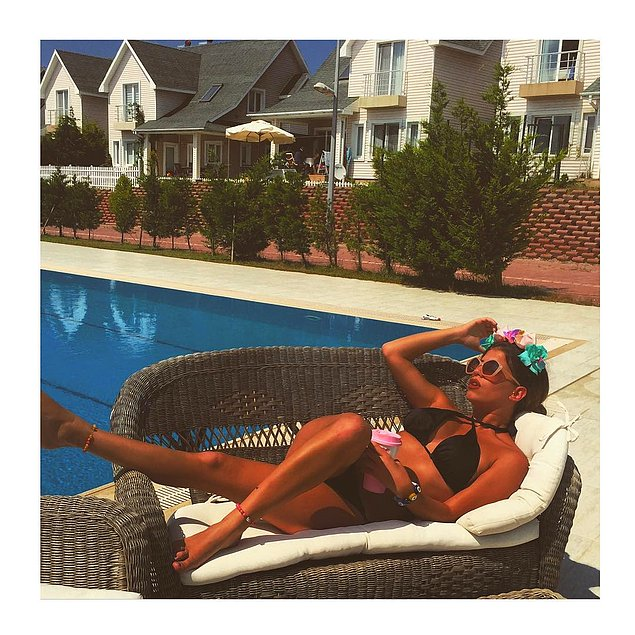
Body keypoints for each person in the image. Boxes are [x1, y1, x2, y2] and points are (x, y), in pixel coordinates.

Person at [41, 317, 549, 573]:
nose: (473, 370)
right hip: (338, 466)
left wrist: (402, 484)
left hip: (365, 503)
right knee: (336, 432)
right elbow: (393, 351)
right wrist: (460, 334)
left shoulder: (508, 458)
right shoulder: (442, 405)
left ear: (517, 393)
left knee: (338, 432)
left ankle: (229, 524)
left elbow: (452, 516)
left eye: (488, 368)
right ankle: (73, 433)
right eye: (477, 362)